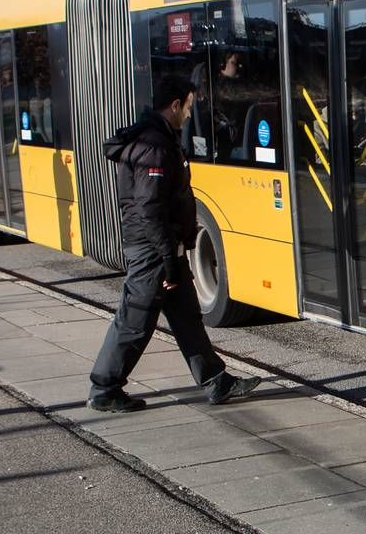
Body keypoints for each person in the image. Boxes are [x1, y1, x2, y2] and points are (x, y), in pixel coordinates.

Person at [87, 74, 261, 413]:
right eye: (189, 107)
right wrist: (168, 258)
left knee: (186, 316)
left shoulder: (157, 139)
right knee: (136, 320)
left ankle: (216, 381)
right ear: (176, 105)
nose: (188, 114)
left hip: (164, 247)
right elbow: (150, 209)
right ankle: (104, 388)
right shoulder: (155, 146)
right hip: (153, 250)